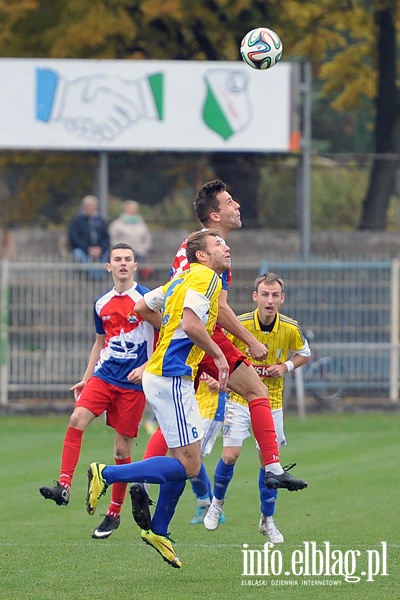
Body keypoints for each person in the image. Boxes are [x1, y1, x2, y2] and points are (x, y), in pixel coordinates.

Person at [138, 179, 308, 505]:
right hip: (202, 335)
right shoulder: (206, 253)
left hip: (192, 338)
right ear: (215, 215)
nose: (237, 206)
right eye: (230, 202)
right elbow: (216, 309)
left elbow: (170, 302)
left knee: (179, 424)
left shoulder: (202, 248)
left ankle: (144, 483)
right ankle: (271, 468)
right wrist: (247, 342)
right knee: (257, 391)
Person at [86, 230, 232, 569]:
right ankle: (105, 473)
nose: (225, 246)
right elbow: (193, 324)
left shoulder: (180, 278)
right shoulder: (208, 277)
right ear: (202, 256)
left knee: (183, 459)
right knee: (190, 465)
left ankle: (159, 531)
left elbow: (140, 307)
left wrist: (169, 330)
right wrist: (219, 356)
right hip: (170, 377)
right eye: (218, 244)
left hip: (167, 375)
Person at [39, 243, 157, 540]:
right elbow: (99, 342)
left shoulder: (147, 299)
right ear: (108, 266)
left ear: (134, 265)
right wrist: (85, 377)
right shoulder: (101, 303)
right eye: (117, 259)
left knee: (121, 450)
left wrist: (146, 369)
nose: (122, 264)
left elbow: (164, 336)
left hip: (132, 384)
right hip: (104, 377)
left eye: (127, 259)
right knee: (76, 419)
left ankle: (114, 512)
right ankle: (64, 486)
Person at [203, 272, 311, 541]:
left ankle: (267, 520)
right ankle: (216, 504)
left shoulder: (289, 327)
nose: (270, 300)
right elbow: (218, 350)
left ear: (282, 298)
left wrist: (285, 366)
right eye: (265, 294)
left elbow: (305, 353)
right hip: (240, 400)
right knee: (230, 454)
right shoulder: (239, 325)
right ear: (255, 297)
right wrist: (221, 379)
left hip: (272, 402)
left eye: (275, 295)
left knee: (269, 464)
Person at [68, 195, 110, 278]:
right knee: (78, 254)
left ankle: (100, 275)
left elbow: (106, 237)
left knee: (109, 254)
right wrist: (88, 248)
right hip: (83, 248)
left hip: (99, 248)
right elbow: (74, 237)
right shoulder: (77, 221)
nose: (91, 208)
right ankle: (92, 274)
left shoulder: (100, 220)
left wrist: (100, 248)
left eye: (93, 206)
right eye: (88, 206)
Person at [109, 200, 152, 264]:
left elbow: (147, 238)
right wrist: (121, 248)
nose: (132, 211)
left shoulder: (142, 224)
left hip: (139, 252)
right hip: (122, 252)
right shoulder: (117, 224)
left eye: (134, 209)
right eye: (129, 209)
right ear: (124, 210)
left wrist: (143, 249)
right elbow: (112, 238)